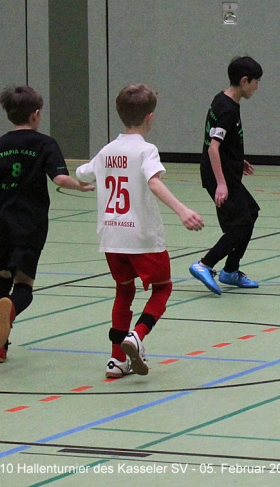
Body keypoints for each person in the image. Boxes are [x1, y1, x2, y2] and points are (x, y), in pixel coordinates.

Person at [76, 85, 204, 378]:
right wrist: (182, 210)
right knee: (163, 288)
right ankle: (137, 335)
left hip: (111, 237)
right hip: (142, 238)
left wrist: (85, 180)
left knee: (124, 291)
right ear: (150, 117)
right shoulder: (147, 150)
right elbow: (154, 182)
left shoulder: (107, 151)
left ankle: (116, 359)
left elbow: (83, 173)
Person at [0, 85, 94, 363]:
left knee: (2, 278)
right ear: (36, 114)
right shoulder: (45, 144)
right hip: (30, 224)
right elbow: (59, 178)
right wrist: (81, 185)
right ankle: (11, 309)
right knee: (23, 284)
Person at [189, 56, 263, 294]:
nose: (257, 87)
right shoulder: (229, 109)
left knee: (251, 212)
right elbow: (213, 147)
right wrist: (221, 184)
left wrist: (237, 160)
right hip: (220, 176)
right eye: (256, 82)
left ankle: (230, 271)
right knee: (240, 225)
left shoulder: (222, 99)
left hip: (227, 171)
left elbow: (221, 141)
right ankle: (204, 264)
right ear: (244, 81)